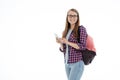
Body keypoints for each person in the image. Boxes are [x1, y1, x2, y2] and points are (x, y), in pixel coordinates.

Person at [56, 8, 87, 80]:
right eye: (70, 15)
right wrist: (60, 43)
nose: (72, 17)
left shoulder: (81, 29)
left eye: (74, 16)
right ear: (67, 17)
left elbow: (82, 46)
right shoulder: (65, 31)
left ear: (77, 17)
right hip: (67, 63)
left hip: (77, 63)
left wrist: (67, 42)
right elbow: (64, 50)